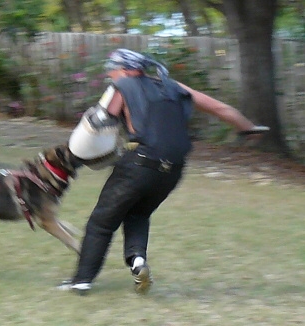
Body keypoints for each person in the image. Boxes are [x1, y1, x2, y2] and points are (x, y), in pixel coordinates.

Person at [58, 48, 267, 295]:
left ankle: (81, 281)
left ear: (126, 69)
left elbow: (100, 125)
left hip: (139, 162)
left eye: (112, 70)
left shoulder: (122, 86)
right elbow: (221, 109)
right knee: (137, 214)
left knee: (101, 223)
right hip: (173, 168)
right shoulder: (174, 86)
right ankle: (137, 261)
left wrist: (79, 154)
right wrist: (249, 129)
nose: (110, 76)